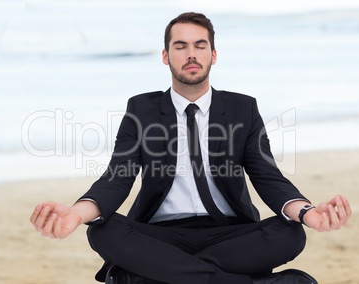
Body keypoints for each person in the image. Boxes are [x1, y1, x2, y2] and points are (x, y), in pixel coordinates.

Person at [30, 12, 352, 284]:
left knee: (291, 233)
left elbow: (267, 176)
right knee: (101, 230)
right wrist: (74, 213)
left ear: (213, 55)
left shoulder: (243, 109)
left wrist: (308, 213)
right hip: (160, 233)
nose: (191, 54)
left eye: (200, 45)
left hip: (230, 233)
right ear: (166, 56)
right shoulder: (140, 110)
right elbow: (118, 176)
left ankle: (151, 275)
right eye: (180, 46)